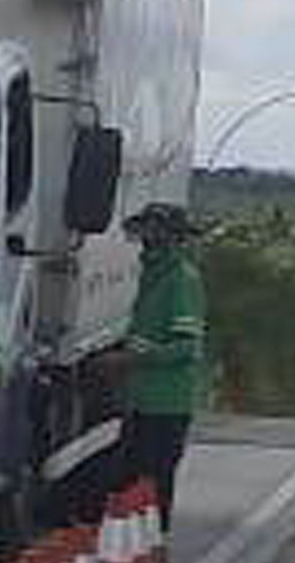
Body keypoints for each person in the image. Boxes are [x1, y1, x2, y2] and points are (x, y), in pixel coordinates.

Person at [70, 200, 208, 525]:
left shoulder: (181, 279)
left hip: (167, 403)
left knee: (152, 485)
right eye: (147, 229)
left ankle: (151, 555)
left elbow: (187, 346)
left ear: (175, 236)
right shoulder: (153, 273)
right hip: (141, 399)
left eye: (157, 230)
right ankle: (136, 550)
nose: (149, 237)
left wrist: (130, 360)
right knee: (131, 483)